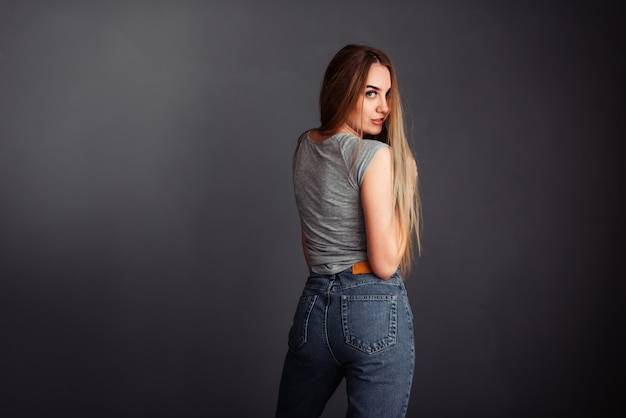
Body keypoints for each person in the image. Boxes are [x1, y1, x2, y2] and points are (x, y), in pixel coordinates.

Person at [275, 44, 422, 418]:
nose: (384, 107)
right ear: (342, 90)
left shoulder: (304, 148)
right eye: (371, 93)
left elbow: (312, 250)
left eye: (387, 95)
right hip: (372, 309)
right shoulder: (376, 156)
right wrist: (408, 188)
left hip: (314, 308)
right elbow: (386, 263)